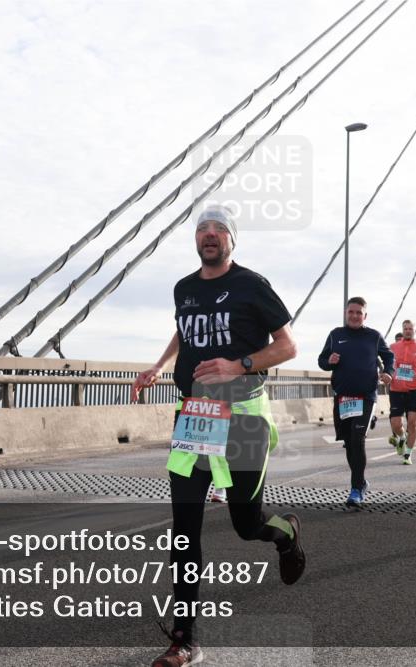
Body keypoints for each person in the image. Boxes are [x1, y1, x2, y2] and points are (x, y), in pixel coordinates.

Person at [131, 205, 305, 667]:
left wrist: (239, 364)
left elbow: (288, 346)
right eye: (203, 229)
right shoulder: (184, 289)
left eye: (219, 230)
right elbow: (184, 330)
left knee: (246, 524)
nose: (210, 235)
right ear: (196, 240)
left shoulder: (252, 285)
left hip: (245, 417)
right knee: (184, 531)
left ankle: (285, 532)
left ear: (232, 241)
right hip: (195, 417)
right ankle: (184, 639)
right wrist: (159, 365)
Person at [317, 297, 394, 507]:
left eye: (359, 312)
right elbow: (322, 361)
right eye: (351, 312)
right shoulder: (335, 335)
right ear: (346, 313)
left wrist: (388, 372)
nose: (354, 315)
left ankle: (356, 489)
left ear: (365, 316)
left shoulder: (374, 336)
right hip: (343, 397)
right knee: (349, 443)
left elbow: (389, 357)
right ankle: (361, 482)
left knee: (358, 439)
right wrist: (328, 361)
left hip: (366, 396)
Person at [388, 320, 416, 465]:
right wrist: (385, 374)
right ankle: (401, 438)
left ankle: (408, 454)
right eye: (405, 328)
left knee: (412, 423)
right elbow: (387, 365)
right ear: (402, 330)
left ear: (415, 331)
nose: (408, 331)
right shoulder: (393, 347)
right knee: (395, 424)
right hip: (396, 389)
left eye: (410, 329)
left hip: (414, 390)